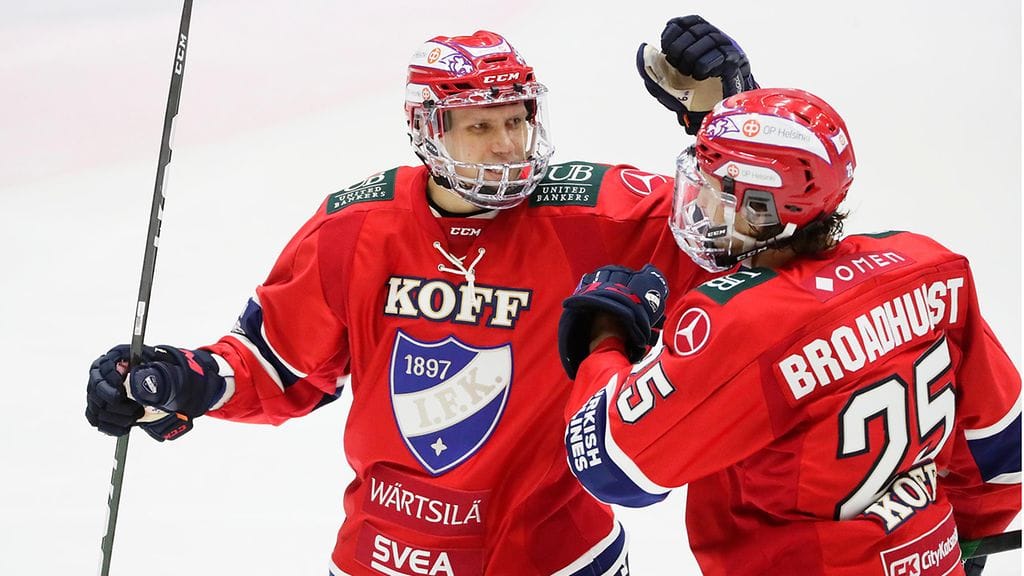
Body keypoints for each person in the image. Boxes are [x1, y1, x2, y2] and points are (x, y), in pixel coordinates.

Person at [84, 17, 757, 576]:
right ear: (428, 129)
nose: (507, 146)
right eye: (480, 127)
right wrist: (178, 380)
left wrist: (728, 116)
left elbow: (753, 237)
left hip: (554, 558)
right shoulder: (356, 225)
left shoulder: (596, 214)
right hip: (381, 556)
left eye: (516, 120)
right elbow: (280, 363)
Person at [557, 88, 1021, 575]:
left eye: (713, 188)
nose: (700, 207)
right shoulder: (927, 265)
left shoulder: (742, 321)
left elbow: (612, 465)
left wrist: (604, 338)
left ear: (760, 208)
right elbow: (1001, 441)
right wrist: (956, 545)